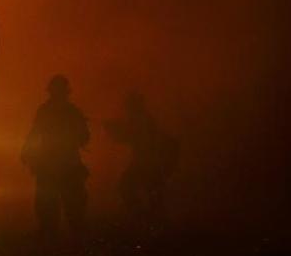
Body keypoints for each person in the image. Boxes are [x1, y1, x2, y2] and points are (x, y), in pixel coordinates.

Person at [21, 74, 90, 242]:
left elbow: (34, 134)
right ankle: (67, 236)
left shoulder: (49, 111)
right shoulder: (70, 112)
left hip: (55, 165)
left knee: (58, 204)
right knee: (62, 204)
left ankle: (57, 236)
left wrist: (26, 152)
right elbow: (84, 137)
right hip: (63, 165)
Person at [105, 92, 178, 231]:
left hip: (147, 163)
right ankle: (153, 222)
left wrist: (113, 129)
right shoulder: (143, 119)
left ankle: (147, 220)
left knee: (130, 188)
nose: (126, 109)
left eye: (128, 106)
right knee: (150, 194)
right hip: (147, 162)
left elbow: (131, 137)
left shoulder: (142, 120)